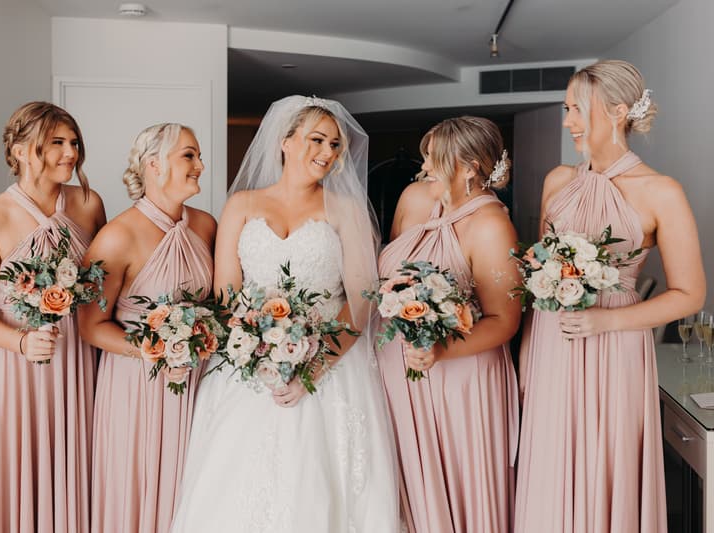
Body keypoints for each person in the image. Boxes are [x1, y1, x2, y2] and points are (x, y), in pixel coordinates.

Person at [172, 96, 399, 532]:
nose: (328, 153)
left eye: (335, 145)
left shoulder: (346, 210)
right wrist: (255, 351)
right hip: (246, 367)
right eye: (317, 140)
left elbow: (361, 300)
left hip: (330, 367)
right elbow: (226, 294)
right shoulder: (241, 204)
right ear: (285, 142)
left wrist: (314, 366)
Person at [515, 59, 706, 533]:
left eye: (576, 109)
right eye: (566, 109)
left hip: (615, 346)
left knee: (607, 462)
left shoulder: (661, 191)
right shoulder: (557, 182)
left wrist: (606, 322)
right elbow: (540, 270)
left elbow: (690, 293)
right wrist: (526, 356)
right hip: (551, 345)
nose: (567, 121)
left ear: (618, 111)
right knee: (549, 461)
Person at [0, 101, 106, 532]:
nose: (70, 152)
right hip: (12, 367)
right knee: (14, 470)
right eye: (56, 143)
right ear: (20, 150)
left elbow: (102, 286)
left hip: (75, 362)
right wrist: (21, 342)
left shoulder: (88, 205)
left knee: (73, 467)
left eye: (73, 142)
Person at [377, 116, 520, 532]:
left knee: (458, 490)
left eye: (433, 157)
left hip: (458, 378)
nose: (424, 166)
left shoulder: (492, 226)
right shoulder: (416, 199)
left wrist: (440, 349)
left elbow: (504, 321)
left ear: (470, 166)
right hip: (398, 373)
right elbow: (392, 279)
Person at [78, 123, 215, 533]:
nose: (200, 165)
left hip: (198, 382)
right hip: (136, 385)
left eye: (198, 155)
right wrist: (154, 349)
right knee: (136, 489)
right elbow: (91, 326)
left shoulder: (206, 226)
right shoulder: (116, 237)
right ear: (154, 164)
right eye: (188, 155)